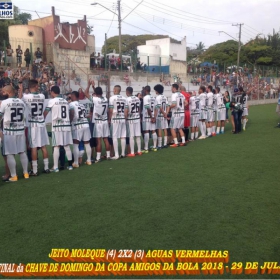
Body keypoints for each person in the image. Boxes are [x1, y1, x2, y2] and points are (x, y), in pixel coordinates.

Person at [19, 79, 50, 175]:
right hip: (41, 123)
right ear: (35, 86)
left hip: (33, 125)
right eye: (38, 85)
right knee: (43, 147)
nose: (39, 87)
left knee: (33, 147)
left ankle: (35, 170)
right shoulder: (42, 96)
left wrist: (21, 90)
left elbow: (19, 100)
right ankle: (46, 167)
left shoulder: (26, 97)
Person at [0, 85, 29, 182]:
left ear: (8, 92)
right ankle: (26, 173)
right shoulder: (21, 102)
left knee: (9, 154)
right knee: (22, 152)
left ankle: (14, 176)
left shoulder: (4, 102)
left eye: (4, 91)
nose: (3, 93)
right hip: (20, 129)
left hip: (9, 131)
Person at [43, 86, 73, 172]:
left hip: (57, 126)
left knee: (56, 146)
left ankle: (55, 167)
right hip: (66, 125)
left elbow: (46, 112)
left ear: (52, 92)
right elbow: (71, 112)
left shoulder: (52, 101)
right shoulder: (65, 101)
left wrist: (42, 120)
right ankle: (70, 166)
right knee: (67, 146)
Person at [69, 91, 92, 167]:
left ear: (73, 96)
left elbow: (72, 113)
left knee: (75, 144)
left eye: (71, 95)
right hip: (85, 124)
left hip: (77, 125)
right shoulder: (82, 104)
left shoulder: (71, 104)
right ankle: (89, 160)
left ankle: (76, 163)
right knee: (87, 143)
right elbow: (85, 115)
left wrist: (70, 122)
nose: (70, 97)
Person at [89, 84, 111, 162]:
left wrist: (89, 85)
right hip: (105, 121)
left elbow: (86, 94)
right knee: (106, 139)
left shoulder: (95, 99)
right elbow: (98, 94)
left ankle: (98, 157)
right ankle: (108, 155)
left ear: (95, 93)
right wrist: (94, 88)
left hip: (98, 122)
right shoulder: (105, 99)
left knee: (98, 140)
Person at [108, 85, 128, 159]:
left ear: (115, 90)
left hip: (115, 118)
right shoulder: (124, 98)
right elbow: (126, 110)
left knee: (114, 136)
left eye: (113, 89)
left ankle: (116, 155)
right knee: (123, 136)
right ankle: (122, 153)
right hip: (122, 118)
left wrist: (109, 119)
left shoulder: (112, 98)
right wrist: (125, 118)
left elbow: (110, 110)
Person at [126, 87, 142, 156]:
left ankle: (132, 152)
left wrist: (126, 118)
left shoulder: (127, 99)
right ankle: (139, 151)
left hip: (130, 119)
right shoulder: (137, 98)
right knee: (138, 135)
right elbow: (139, 109)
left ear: (127, 92)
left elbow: (126, 111)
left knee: (131, 136)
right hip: (137, 118)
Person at [142, 85, 157, 152]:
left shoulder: (145, 98)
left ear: (145, 90)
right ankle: (154, 147)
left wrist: (151, 117)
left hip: (147, 117)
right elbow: (156, 108)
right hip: (153, 116)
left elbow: (148, 108)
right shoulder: (154, 98)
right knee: (153, 131)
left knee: (146, 131)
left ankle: (146, 148)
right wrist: (154, 117)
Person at [154, 84, 169, 149]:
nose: (155, 91)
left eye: (155, 90)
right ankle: (165, 143)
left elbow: (159, 107)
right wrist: (166, 113)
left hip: (160, 115)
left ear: (157, 91)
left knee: (159, 129)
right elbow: (168, 106)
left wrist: (163, 113)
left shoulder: (157, 97)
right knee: (165, 129)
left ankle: (159, 145)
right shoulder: (165, 97)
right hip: (164, 116)